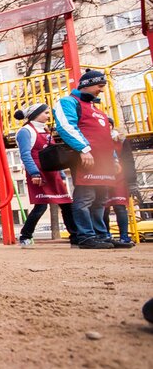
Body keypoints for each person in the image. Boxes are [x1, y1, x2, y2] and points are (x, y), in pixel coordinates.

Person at [53, 69, 121, 249]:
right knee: (85, 198)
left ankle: (101, 234)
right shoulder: (68, 102)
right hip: (86, 159)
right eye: (99, 86)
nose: (101, 90)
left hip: (103, 161)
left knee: (100, 200)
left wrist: (113, 159)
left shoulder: (96, 109)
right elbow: (66, 126)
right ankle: (85, 236)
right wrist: (83, 149)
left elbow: (105, 136)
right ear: (87, 84)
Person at [13, 103, 78, 248]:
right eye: (46, 113)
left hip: (52, 171)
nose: (48, 116)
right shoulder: (25, 131)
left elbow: (54, 154)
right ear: (36, 113)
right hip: (38, 171)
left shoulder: (46, 131)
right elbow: (25, 154)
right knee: (41, 206)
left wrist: (60, 173)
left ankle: (76, 236)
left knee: (66, 203)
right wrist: (34, 173)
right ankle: (25, 236)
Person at [101, 118, 135, 248]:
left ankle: (124, 236)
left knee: (120, 206)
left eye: (109, 125)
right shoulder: (98, 140)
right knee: (103, 208)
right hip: (103, 175)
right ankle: (106, 235)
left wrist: (132, 181)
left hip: (119, 176)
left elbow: (129, 160)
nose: (107, 127)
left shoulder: (121, 141)